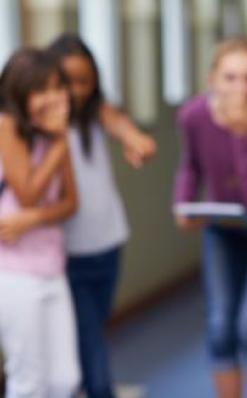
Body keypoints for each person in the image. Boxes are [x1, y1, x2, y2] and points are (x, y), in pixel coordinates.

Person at [173, 38, 247, 398]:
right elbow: (189, 166)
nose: (242, 88)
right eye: (231, 77)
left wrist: (242, 135)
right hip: (221, 229)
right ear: (212, 80)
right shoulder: (193, 116)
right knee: (221, 327)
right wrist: (183, 203)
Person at [48, 33, 156, 398]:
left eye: (84, 82)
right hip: (67, 249)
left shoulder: (96, 112)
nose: (76, 91)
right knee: (88, 335)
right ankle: (99, 390)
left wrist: (135, 140)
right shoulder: (44, 127)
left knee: (93, 329)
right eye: (67, 82)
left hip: (108, 241)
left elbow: (123, 127)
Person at [0, 47, 80, 398]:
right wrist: (61, 140)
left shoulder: (53, 136)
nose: (54, 99)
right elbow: (29, 193)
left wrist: (34, 219)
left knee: (64, 380)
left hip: (51, 266)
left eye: (58, 88)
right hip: (13, 272)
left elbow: (70, 203)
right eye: (42, 90)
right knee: (28, 382)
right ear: (19, 95)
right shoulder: (6, 127)